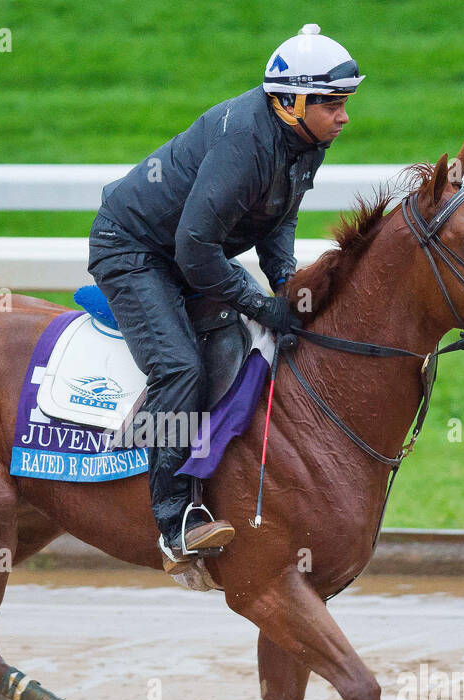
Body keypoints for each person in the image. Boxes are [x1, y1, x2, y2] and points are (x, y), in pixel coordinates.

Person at [86, 24, 363, 574]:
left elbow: (279, 216)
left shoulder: (307, 139)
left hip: (188, 248)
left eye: (345, 102)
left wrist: (286, 283)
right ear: (290, 102)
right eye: (331, 103)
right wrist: (264, 305)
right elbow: (196, 251)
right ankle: (173, 521)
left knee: (252, 337)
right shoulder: (246, 143)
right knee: (179, 365)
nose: (344, 116)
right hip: (136, 251)